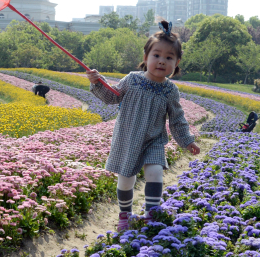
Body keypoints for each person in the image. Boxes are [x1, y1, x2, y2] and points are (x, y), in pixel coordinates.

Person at [86, 20, 201, 232]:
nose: (161, 61)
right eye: (156, 55)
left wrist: (187, 141)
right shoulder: (132, 80)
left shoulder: (170, 91)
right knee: (126, 180)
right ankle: (125, 214)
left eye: (169, 57)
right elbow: (112, 97)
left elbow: (177, 119)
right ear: (146, 57)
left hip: (154, 140)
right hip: (127, 137)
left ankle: (151, 214)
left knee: (155, 172)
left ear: (176, 64)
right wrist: (97, 82)